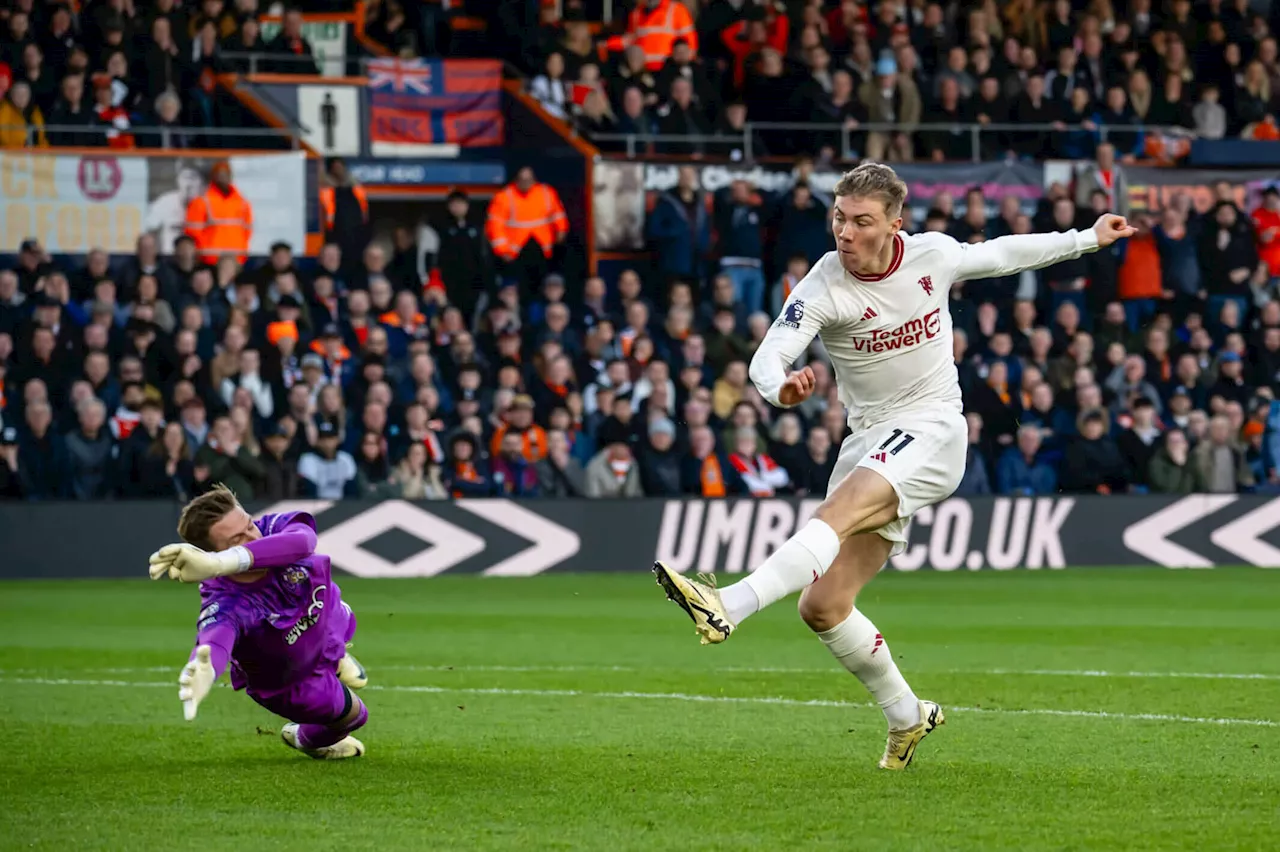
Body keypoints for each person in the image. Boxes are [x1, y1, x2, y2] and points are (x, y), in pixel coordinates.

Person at [652, 162, 1135, 770]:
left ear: (894, 225)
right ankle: (908, 715)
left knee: (836, 511)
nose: (845, 233)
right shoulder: (822, 285)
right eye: (838, 218)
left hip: (933, 429)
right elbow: (767, 358)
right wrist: (782, 392)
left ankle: (730, 604)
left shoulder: (931, 255)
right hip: (870, 441)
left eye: (861, 222)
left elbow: (1002, 253)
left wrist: (1085, 238)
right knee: (822, 605)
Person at [146, 485, 369, 760]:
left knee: (342, 615)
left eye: (249, 524)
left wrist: (224, 560)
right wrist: (205, 667)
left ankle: (335, 658)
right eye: (236, 540)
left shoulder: (268, 530)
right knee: (355, 717)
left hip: (322, 618)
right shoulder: (229, 603)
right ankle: (303, 739)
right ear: (209, 553)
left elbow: (303, 541)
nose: (253, 536)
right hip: (293, 680)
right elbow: (214, 639)